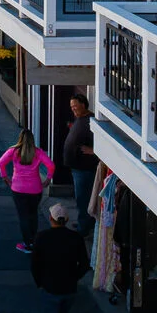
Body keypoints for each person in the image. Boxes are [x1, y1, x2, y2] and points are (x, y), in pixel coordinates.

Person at [0, 128, 57, 254]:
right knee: (33, 214)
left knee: (23, 216)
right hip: (35, 189)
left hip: (18, 189)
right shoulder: (38, 152)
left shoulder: (13, 151)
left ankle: (27, 243)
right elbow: (51, 165)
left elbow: (1, 163)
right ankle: (34, 240)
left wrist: (5, 177)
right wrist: (47, 179)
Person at [64, 95, 98, 240]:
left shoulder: (92, 121)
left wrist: (93, 150)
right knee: (81, 198)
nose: (73, 109)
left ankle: (83, 229)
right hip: (77, 168)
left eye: (75, 106)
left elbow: (100, 142)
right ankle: (82, 224)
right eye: (71, 107)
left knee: (83, 199)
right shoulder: (81, 119)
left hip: (84, 170)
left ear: (84, 104)